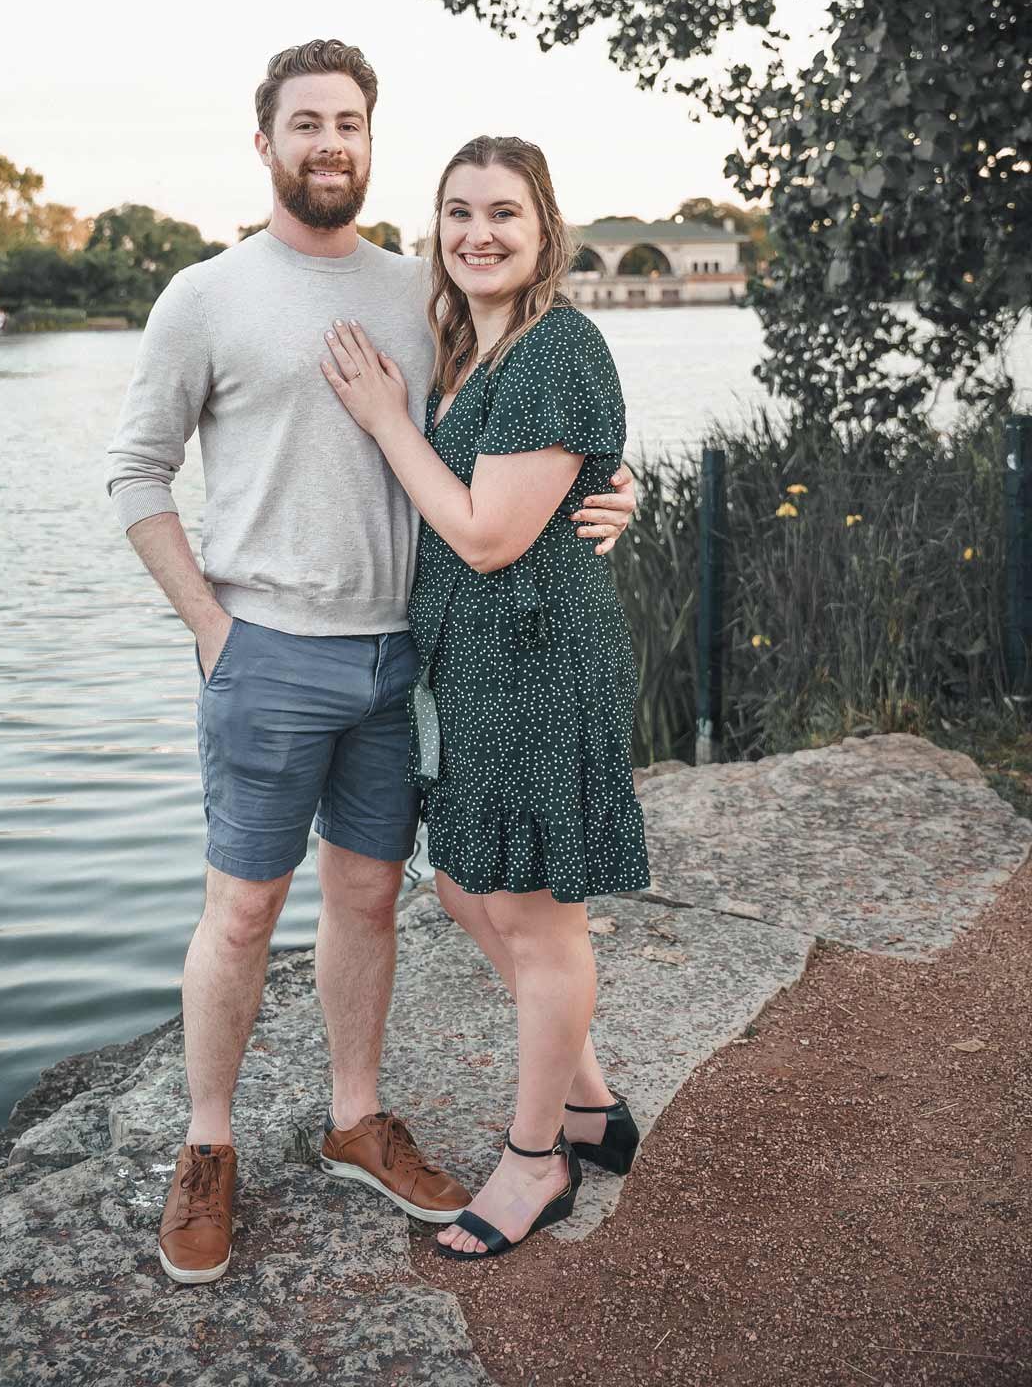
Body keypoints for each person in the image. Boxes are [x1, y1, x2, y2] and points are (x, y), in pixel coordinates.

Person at [105, 40, 637, 1285]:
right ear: (266, 144)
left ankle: (356, 1117)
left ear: (367, 138)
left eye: (347, 121)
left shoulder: (421, 290)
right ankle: (209, 1144)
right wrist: (209, 625)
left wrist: (621, 490)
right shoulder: (205, 296)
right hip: (267, 652)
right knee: (242, 909)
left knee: (370, 899)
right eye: (305, 124)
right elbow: (135, 472)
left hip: (406, 661)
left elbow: (528, 428)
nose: (328, 142)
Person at [320, 133, 649, 1261]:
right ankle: (590, 1102)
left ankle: (535, 1160)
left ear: (543, 227)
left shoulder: (554, 347)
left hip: (538, 661)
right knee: (466, 882)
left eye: (503, 211)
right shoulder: (474, 348)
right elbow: (550, 482)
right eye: (458, 211)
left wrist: (384, 422)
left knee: (536, 916)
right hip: (473, 670)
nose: (477, 232)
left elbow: (485, 532)